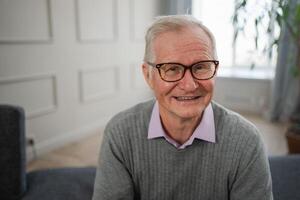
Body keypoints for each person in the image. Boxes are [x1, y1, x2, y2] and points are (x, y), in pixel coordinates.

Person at [92, 15, 273, 200]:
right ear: (148, 76)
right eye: (172, 69)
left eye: (201, 67)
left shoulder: (246, 141)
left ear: (215, 71)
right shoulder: (120, 133)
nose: (189, 85)